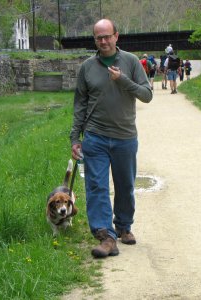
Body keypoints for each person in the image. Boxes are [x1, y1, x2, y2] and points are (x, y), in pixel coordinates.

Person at [70, 19, 153, 259]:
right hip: (94, 137)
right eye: (99, 38)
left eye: (107, 36)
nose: (104, 41)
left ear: (117, 36)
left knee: (125, 186)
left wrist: (123, 80)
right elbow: (80, 105)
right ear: (94, 40)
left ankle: (124, 226)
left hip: (125, 137)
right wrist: (75, 138)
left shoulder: (131, 62)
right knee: (96, 186)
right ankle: (106, 236)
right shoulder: (87, 67)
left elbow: (147, 95)